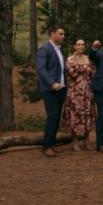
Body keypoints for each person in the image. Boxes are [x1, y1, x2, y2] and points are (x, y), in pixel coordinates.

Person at [36, 26, 67, 157]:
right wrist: (52, 83)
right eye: (60, 34)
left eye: (64, 34)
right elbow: (41, 69)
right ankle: (47, 146)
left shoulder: (59, 50)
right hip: (50, 89)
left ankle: (52, 143)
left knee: (56, 116)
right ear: (52, 34)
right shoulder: (45, 49)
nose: (63, 36)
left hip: (61, 88)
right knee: (52, 116)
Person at [61, 38, 96, 152]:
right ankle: (75, 141)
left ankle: (86, 140)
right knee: (75, 113)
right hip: (75, 89)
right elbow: (72, 73)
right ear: (74, 46)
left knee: (87, 113)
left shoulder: (88, 58)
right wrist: (80, 68)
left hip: (87, 88)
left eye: (83, 44)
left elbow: (90, 73)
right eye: (78, 45)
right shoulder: (71, 59)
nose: (81, 46)